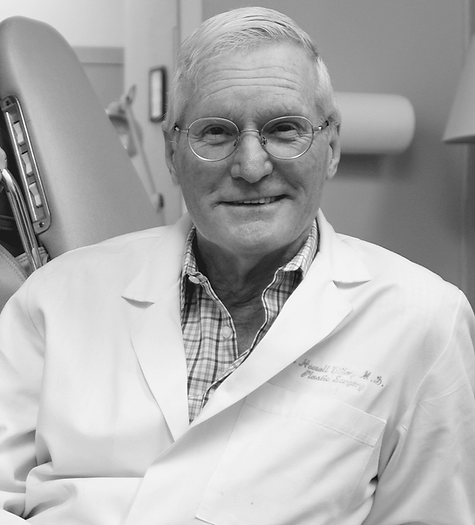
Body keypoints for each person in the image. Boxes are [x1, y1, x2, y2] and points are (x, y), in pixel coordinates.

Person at [0, 6, 474, 524]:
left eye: (285, 129)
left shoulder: (425, 320)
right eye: (216, 133)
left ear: (331, 146)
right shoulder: (54, 297)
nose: (250, 166)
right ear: (171, 150)